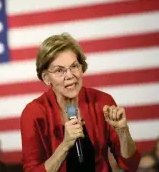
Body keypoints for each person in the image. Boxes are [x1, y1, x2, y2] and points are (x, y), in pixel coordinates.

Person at [20, 33, 141, 172]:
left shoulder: (102, 102)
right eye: (60, 70)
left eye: (74, 66)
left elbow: (131, 165)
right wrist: (65, 145)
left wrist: (123, 131)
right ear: (46, 78)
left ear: (82, 67)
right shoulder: (33, 113)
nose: (70, 75)